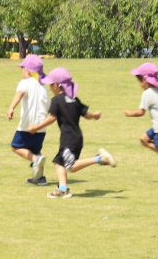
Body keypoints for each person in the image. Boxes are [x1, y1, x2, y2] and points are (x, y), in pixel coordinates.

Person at [27, 67, 115, 199]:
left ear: (58, 85)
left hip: (69, 139)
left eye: (51, 84)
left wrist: (36, 127)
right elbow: (87, 115)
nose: (50, 87)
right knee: (60, 163)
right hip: (76, 138)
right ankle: (62, 189)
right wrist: (95, 115)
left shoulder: (56, 100)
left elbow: (52, 118)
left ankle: (99, 158)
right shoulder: (74, 99)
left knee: (69, 166)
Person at [6, 54, 51, 185]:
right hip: (42, 127)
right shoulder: (43, 87)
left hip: (27, 125)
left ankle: (35, 159)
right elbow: (47, 106)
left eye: (22, 68)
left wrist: (11, 108)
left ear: (28, 71)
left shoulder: (24, 83)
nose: (21, 71)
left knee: (15, 147)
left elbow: (18, 95)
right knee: (36, 150)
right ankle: (39, 178)